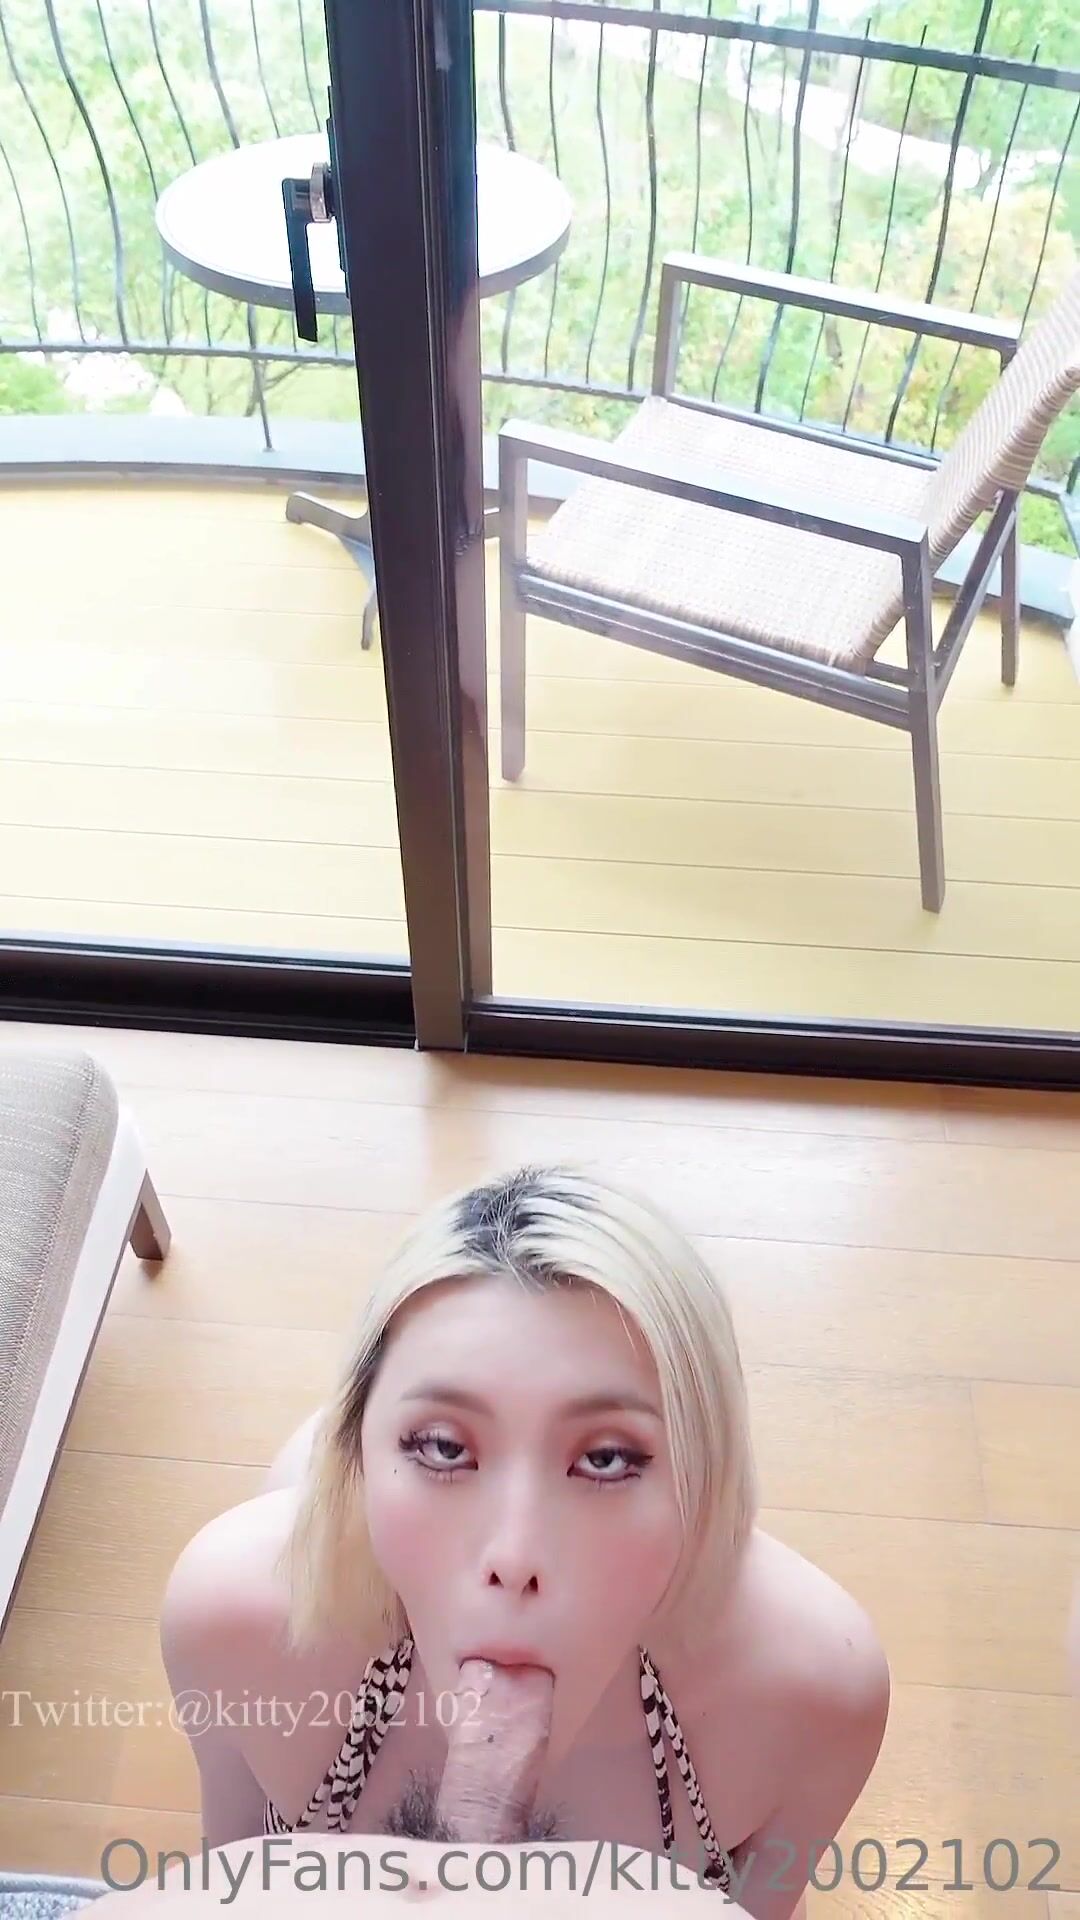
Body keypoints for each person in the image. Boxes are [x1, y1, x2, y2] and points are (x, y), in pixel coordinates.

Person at [160, 1164, 890, 1920]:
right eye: (444, 1448)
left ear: (708, 1477)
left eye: (606, 1459)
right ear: (359, 1453)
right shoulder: (233, 1626)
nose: (514, 1557)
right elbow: (232, 1892)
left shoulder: (816, 1691)